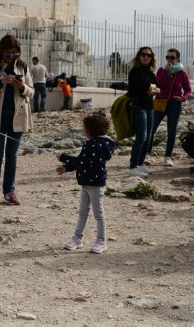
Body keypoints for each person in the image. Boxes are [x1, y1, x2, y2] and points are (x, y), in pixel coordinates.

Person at [0, 35, 34, 209]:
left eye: (15, 54)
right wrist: (0, 82)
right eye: (8, 54)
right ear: (1, 52)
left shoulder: (23, 67)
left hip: (17, 118)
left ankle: (9, 192)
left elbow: (31, 92)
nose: (11, 57)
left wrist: (22, 87)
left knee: (12, 156)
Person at [58, 111, 115, 254]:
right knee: (83, 212)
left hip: (96, 185)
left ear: (90, 129)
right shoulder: (92, 144)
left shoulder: (96, 145)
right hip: (85, 183)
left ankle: (101, 240)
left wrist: (64, 157)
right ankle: (77, 238)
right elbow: (83, 162)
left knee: (98, 213)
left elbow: (81, 161)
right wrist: (65, 168)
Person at [149, 48, 192, 167]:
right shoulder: (161, 70)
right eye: (167, 57)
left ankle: (168, 157)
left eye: (172, 57)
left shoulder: (182, 73)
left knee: (171, 131)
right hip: (160, 102)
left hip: (174, 104)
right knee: (151, 129)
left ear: (178, 59)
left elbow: (188, 90)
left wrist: (183, 98)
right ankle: (147, 153)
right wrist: (165, 72)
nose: (169, 60)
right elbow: (157, 85)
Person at [127, 47, 159, 177]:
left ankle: (140, 164)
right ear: (139, 56)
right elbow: (146, 88)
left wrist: (150, 88)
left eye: (149, 55)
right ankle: (133, 166)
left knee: (149, 137)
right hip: (139, 106)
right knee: (141, 137)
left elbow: (158, 89)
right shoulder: (135, 72)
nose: (146, 57)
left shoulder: (150, 72)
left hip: (150, 107)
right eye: (143, 54)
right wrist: (150, 88)